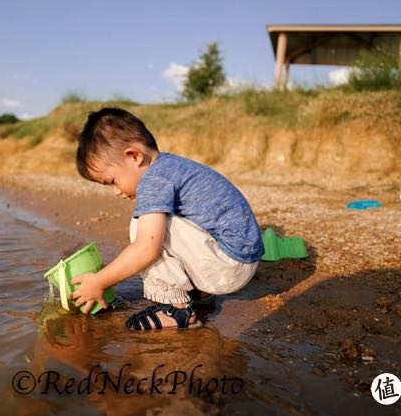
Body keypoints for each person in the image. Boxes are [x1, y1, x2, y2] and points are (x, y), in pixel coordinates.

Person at [69, 107, 264, 330]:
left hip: (229, 266)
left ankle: (177, 310)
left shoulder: (154, 180)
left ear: (134, 156)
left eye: (112, 180)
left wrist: (99, 281)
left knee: (142, 228)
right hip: (238, 257)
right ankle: (198, 292)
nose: (116, 191)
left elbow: (146, 249)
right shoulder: (170, 167)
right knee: (156, 222)